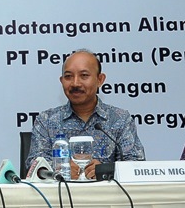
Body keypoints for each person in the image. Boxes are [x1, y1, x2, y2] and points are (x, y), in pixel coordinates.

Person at [26, 50, 145, 179]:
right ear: (61, 81)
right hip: (60, 191)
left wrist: (105, 170)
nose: (75, 83)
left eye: (84, 75)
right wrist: (61, 168)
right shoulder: (46, 120)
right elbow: (34, 164)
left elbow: (136, 164)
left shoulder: (120, 119)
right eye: (68, 76)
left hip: (106, 191)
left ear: (100, 80)